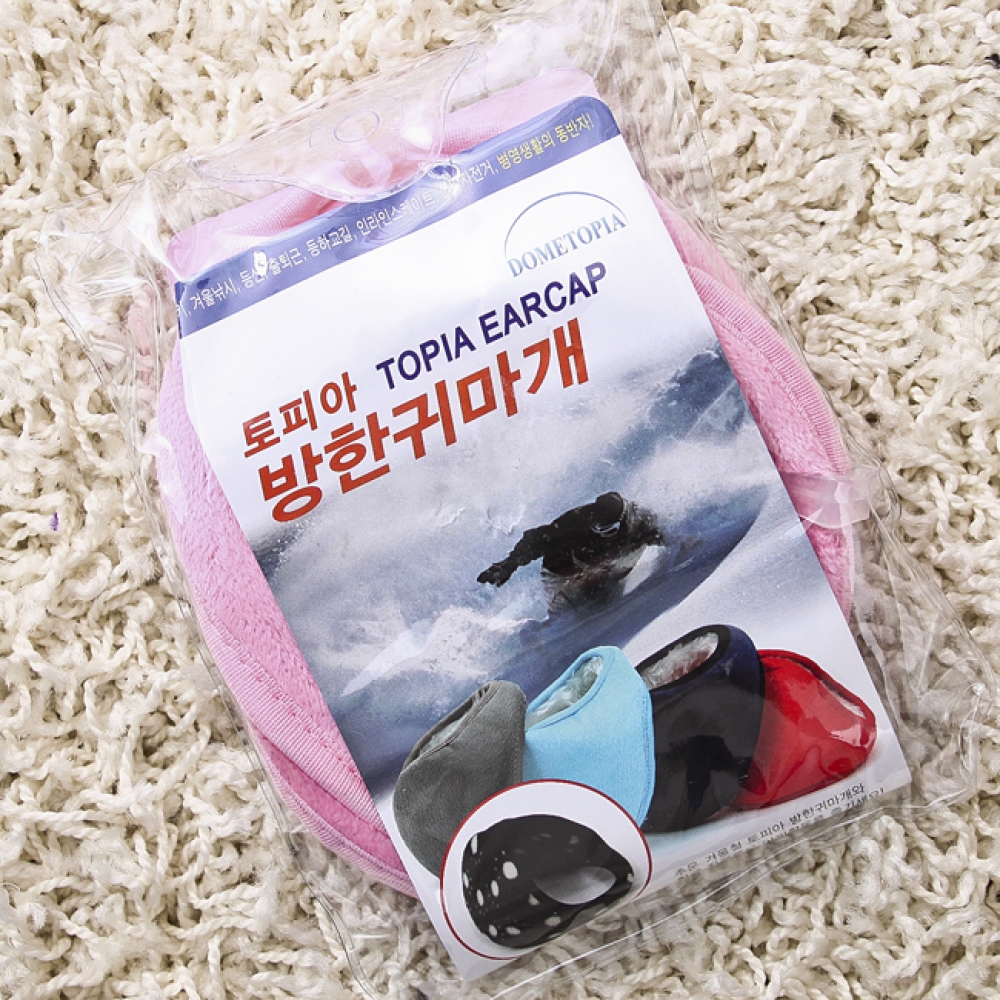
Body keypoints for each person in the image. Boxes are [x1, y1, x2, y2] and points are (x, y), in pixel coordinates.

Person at [477, 492, 667, 608]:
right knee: (575, 610)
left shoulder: (642, 521)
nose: (603, 535)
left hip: (608, 565)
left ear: (625, 519)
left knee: (605, 594)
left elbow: (669, 533)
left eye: (609, 530)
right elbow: (535, 540)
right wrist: (508, 565)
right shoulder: (577, 523)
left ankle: (603, 596)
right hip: (565, 571)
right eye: (599, 530)